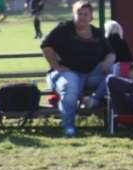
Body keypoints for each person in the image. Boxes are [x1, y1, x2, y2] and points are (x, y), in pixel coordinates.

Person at [41, 0, 115, 136]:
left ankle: (94, 99)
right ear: (73, 15)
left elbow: (111, 53)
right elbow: (46, 45)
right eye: (79, 13)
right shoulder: (64, 29)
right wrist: (55, 65)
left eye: (85, 14)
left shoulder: (97, 32)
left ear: (91, 17)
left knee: (114, 70)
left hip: (90, 75)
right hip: (66, 72)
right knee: (70, 86)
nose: (82, 16)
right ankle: (68, 127)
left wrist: (106, 62)